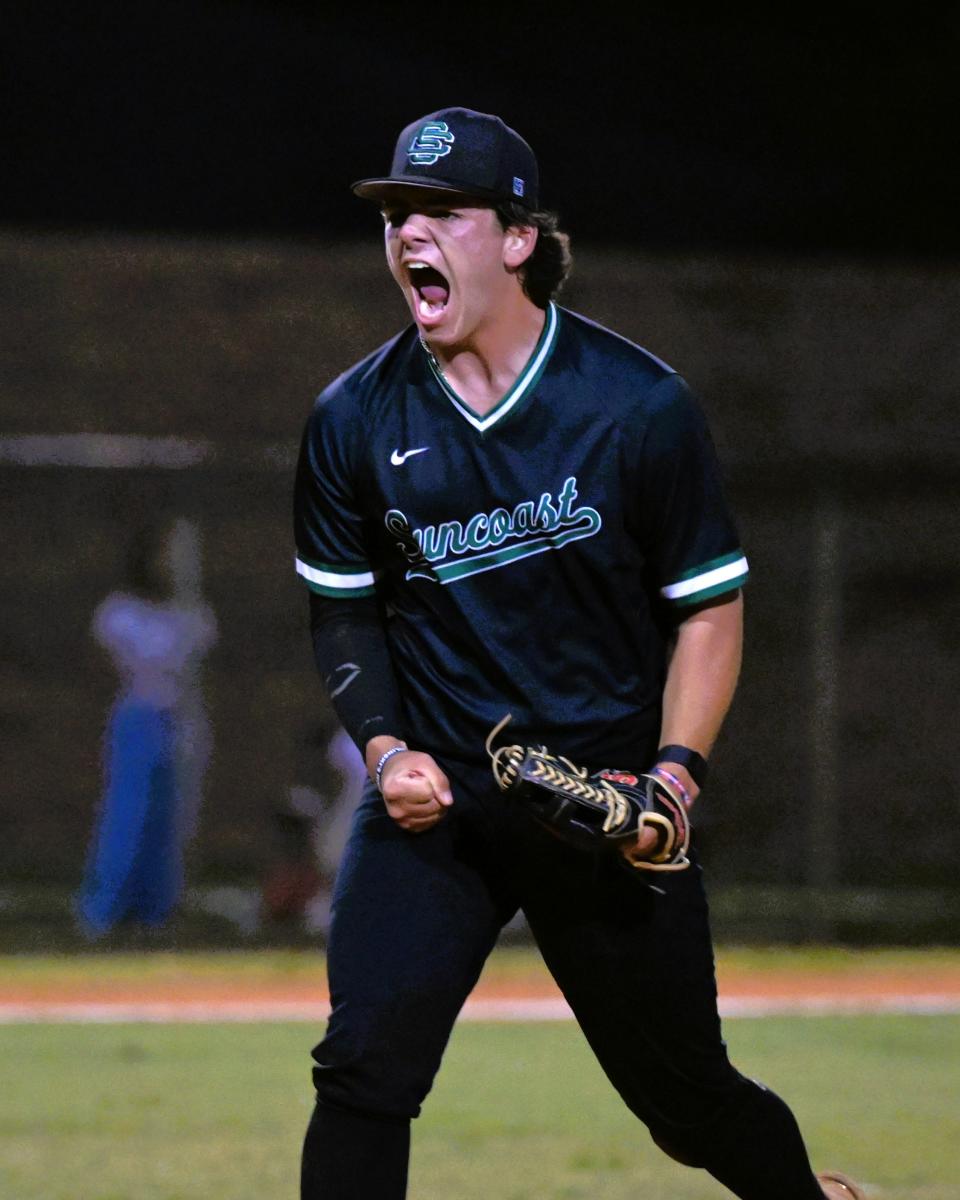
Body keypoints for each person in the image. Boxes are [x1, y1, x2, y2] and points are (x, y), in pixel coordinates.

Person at [292, 107, 865, 1200]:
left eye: (442, 212)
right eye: (397, 214)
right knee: (365, 1070)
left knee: (686, 1102)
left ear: (515, 238)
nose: (410, 233)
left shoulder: (635, 406)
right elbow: (347, 614)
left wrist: (674, 777)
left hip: (602, 802)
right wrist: (382, 748)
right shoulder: (352, 421)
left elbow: (709, 609)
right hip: (444, 804)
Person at [76, 520, 217, 937]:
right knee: (127, 813)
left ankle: (156, 910)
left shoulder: (190, 615)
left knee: (168, 818)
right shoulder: (121, 612)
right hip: (138, 716)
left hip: (179, 720)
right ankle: (105, 910)